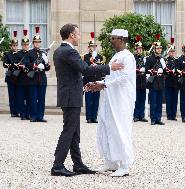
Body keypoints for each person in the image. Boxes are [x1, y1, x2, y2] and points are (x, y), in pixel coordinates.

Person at [51, 23, 123, 177]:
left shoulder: (60, 51)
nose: (79, 36)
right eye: (77, 33)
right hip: (71, 96)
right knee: (69, 131)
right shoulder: (69, 52)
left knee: (74, 132)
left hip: (70, 95)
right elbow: (85, 69)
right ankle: (57, 165)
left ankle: (78, 164)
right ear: (71, 35)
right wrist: (109, 67)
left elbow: (77, 72)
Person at [86, 29, 136, 177]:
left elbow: (125, 77)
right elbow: (111, 77)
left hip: (121, 99)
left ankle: (125, 164)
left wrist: (104, 85)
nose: (111, 40)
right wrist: (99, 83)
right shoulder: (115, 56)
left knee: (120, 129)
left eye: (113, 38)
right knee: (106, 126)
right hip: (109, 98)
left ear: (121, 39)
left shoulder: (128, 56)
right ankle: (111, 161)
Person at [23, 26, 50, 122]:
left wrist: (46, 62)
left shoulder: (43, 53)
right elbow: (26, 64)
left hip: (42, 79)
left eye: (39, 42)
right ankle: (33, 116)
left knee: (41, 99)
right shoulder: (29, 53)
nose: (37, 44)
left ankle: (40, 116)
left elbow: (47, 68)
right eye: (35, 42)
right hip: (33, 79)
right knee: (33, 99)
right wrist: (35, 65)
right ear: (33, 43)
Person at [82, 32, 105, 123]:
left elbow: (102, 69)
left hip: (97, 81)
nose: (93, 48)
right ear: (89, 47)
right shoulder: (85, 57)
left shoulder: (100, 57)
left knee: (96, 100)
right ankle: (88, 117)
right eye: (91, 46)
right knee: (88, 100)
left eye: (94, 46)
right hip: (88, 80)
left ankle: (94, 117)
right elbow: (84, 68)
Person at [145, 34, 166, 125]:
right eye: (157, 48)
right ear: (154, 49)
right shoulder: (150, 59)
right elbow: (146, 69)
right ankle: (153, 119)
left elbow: (166, 71)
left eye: (160, 48)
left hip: (160, 82)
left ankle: (158, 118)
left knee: (159, 101)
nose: (159, 50)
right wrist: (154, 71)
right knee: (153, 101)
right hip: (153, 81)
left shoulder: (162, 59)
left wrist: (164, 69)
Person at [3, 31, 19, 117]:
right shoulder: (7, 54)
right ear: (11, 46)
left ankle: (18, 110)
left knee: (19, 95)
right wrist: (12, 65)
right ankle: (13, 112)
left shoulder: (20, 54)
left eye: (16, 45)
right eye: (13, 45)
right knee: (12, 95)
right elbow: (4, 64)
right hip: (10, 76)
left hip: (18, 77)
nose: (15, 47)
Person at [16, 29, 30, 120]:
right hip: (21, 77)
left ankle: (28, 113)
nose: (25, 46)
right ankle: (22, 113)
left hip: (29, 78)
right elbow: (16, 64)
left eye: (27, 44)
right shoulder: (18, 54)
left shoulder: (30, 53)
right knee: (21, 97)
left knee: (29, 97)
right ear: (21, 45)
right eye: (24, 45)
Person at [133, 35, 148, 123]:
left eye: (141, 48)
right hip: (136, 79)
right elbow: (131, 68)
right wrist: (138, 70)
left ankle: (141, 115)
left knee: (142, 98)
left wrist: (145, 68)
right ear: (136, 49)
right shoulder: (133, 58)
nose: (140, 50)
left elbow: (146, 67)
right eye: (138, 48)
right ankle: (135, 115)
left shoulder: (144, 58)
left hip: (143, 79)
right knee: (136, 98)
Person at [165, 37, 179, 121]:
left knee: (175, 99)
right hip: (168, 81)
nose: (172, 53)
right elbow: (165, 70)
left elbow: (179, 69)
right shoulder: (166, 60)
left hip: (175, 82)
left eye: (173, 52)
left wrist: (176, 71)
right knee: (169, 99)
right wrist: (171, 71)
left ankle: (173, 114)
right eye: (170, 51)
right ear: (168, 52)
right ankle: (169, 115)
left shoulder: (176, 61)